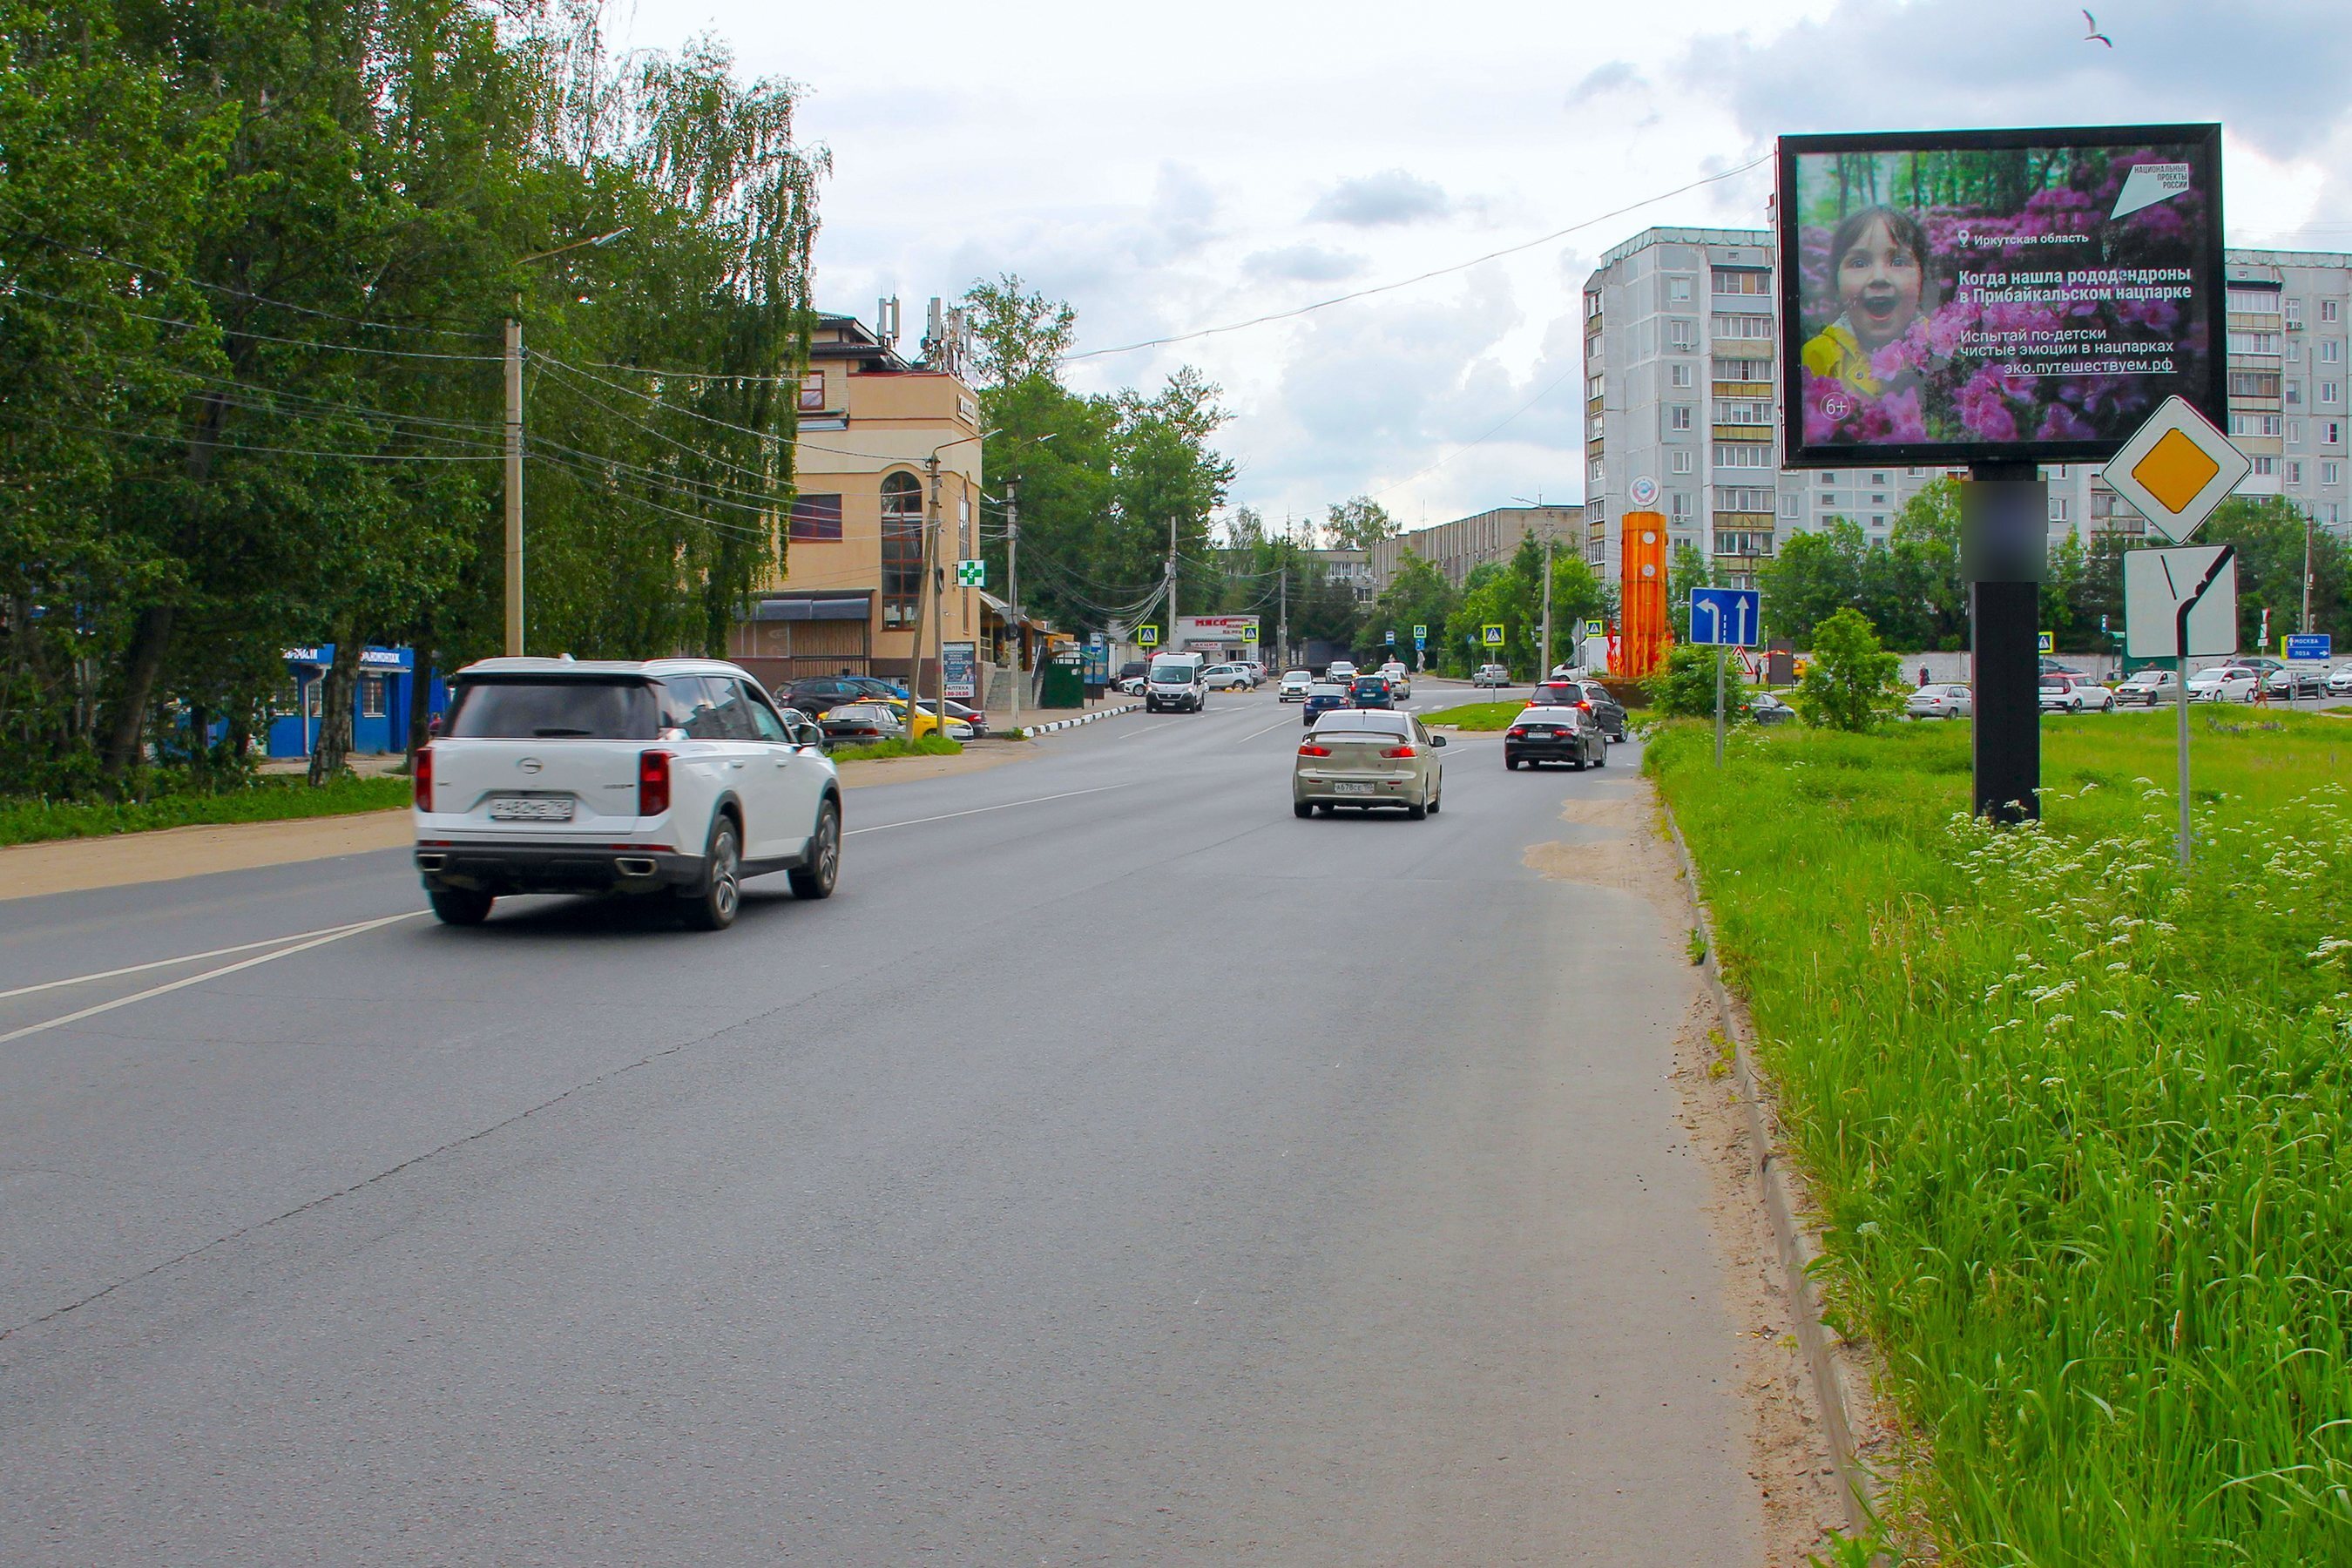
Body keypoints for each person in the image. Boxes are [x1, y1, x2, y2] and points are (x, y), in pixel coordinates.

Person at [1802, 205, 1932, 395]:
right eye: (1859, 263)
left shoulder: (1942, 350)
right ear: (1836, 284)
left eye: (1898, 262)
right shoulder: (1817, 355)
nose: (1879, 277)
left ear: (1922, 279)